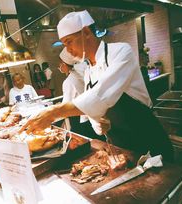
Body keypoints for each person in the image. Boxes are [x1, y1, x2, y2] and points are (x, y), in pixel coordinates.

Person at [21, 10, 173, 162]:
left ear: (86, 32)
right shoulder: (88, 71)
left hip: (148, 139)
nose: (67, 50)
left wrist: (54, 111)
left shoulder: (121, 51)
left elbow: (101, 95)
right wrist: (98, 125)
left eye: (69, 42)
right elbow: (93, 108)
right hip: (121, 146)